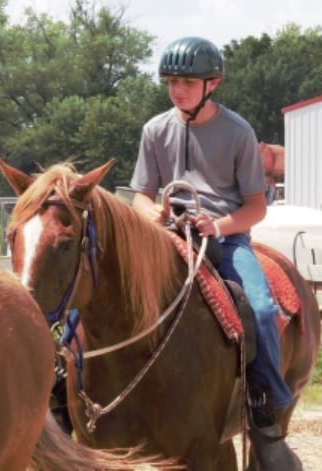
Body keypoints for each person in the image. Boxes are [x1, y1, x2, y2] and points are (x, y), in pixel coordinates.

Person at [129, 36, 297, 467]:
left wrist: (216, 225)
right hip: (166, 235)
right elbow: (141, 197)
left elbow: (255, 208)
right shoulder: (154, 130)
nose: (177, 90)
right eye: (171, 81)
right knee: (88, 299)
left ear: (213, 83)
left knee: (259, 307)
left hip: (225, 237)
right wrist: (153, 214)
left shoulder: (239, 132)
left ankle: (264, 407)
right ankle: (60, 394)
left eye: (187, 81)